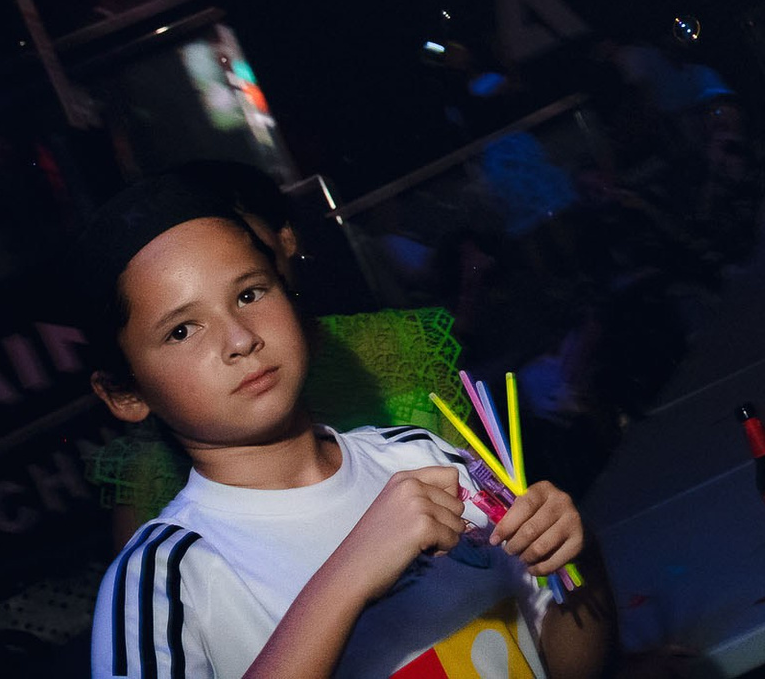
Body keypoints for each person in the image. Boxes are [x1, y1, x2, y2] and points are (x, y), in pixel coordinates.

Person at [79, 173, 616, 678]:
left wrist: (577, 557)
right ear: (125, 393)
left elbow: (568, 665)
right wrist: (349, 575)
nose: (240, 339)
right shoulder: (164, 579)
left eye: (249, 294)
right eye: (181, 330)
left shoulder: (422, 457)